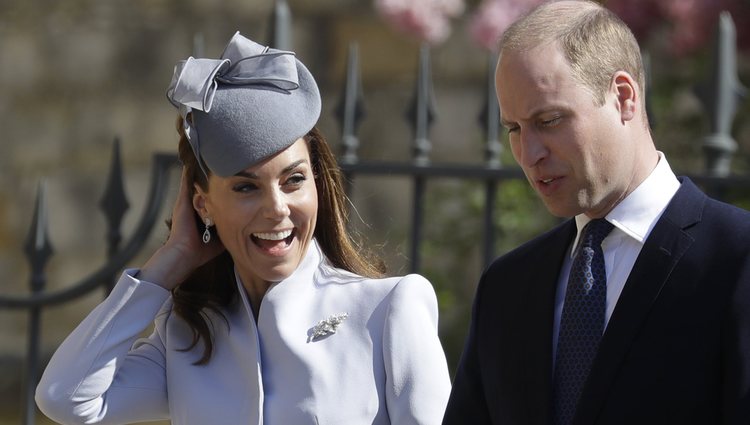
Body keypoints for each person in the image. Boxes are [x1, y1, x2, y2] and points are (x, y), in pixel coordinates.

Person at [36, 32, 451, 425]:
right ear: (203, 204)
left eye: (294, 180)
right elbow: (65, 397)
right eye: (246, 187)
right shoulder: (187, 336)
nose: (276, 209)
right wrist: (172, 260)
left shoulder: (388, 309)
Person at [443, 1, 750, 424]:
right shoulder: (507, 287)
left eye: (549, 120)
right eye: (513, 129)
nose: (528, 154)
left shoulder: (737, 260)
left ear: (623, 97)